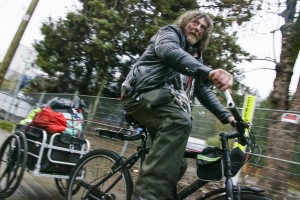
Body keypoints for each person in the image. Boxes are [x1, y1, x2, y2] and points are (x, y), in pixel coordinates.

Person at [120, 10, 235, 200]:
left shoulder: (196, 58)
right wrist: (208, 72)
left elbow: (202, 91)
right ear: (185, 22)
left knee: (179, 164)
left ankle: (156, 190)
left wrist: (228, 116)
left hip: (161, 103)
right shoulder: (169, 34)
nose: (197, 28)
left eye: (203, 27)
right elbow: (169, 52)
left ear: (205, 34)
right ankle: (144, 196)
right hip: (139, 95)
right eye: (194, 23)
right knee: (179, 122)